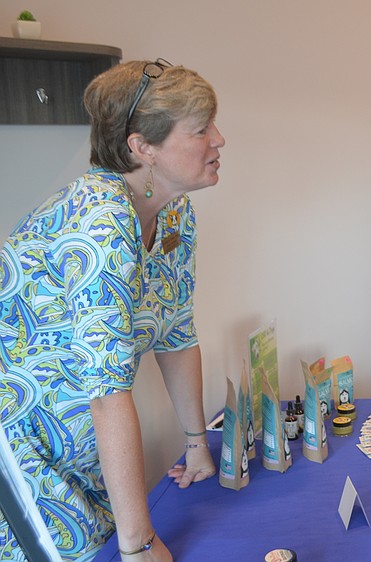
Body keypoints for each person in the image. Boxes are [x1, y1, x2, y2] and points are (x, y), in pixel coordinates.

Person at [0, 58, 224, 560]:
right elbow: (106, 394)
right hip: (19, 447)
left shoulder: (174, 213)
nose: (219, 140)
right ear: (143, 147)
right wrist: (139, 544)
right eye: (201, 130)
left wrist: (196, 445)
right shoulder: (99, 223)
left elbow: (176, 332)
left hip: (82, 446)